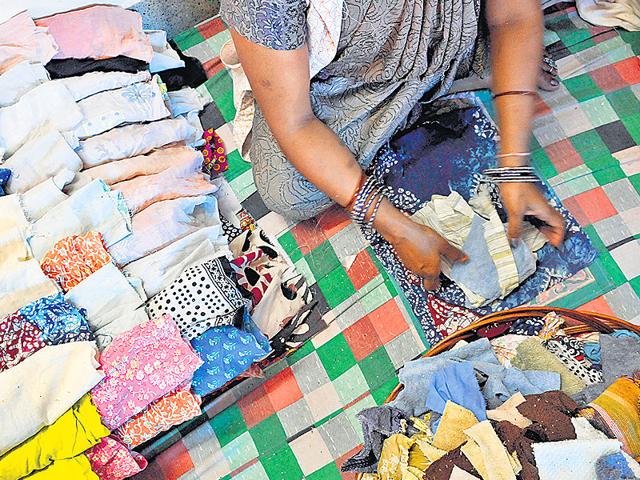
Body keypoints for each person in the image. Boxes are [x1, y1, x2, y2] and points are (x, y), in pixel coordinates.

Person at [221, 0, 565, 290]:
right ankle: (461, 79)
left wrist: (516, 164)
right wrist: (395, 227)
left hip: (450, 39)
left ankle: (457, 71)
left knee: (518, 45)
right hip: (351, 83)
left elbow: (513, 17)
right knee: (290, 189)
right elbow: (295, 122)